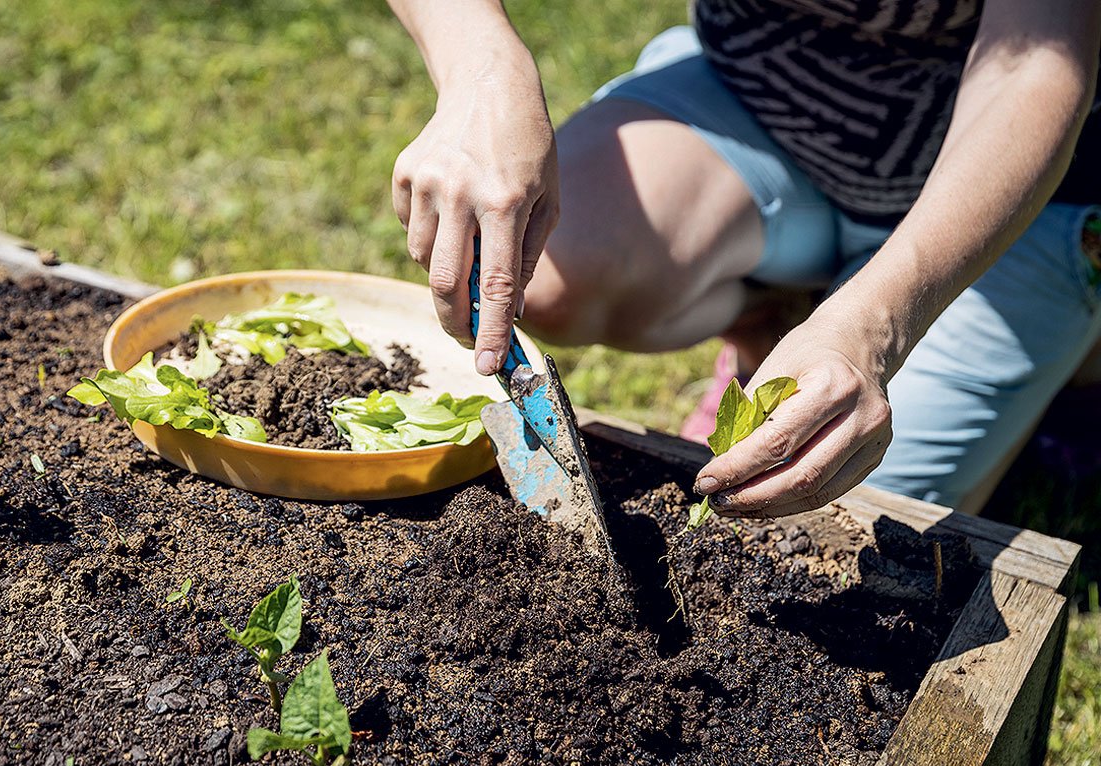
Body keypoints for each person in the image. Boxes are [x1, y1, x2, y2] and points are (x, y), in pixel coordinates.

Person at [386, 0, 1101, 517]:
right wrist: (481, 66)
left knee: (830, 506)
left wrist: (874, 328)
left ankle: (1076, 370)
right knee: (552, 271)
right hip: (765, 108)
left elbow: (1038, 60)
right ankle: (786, 312)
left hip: (1015, 184)